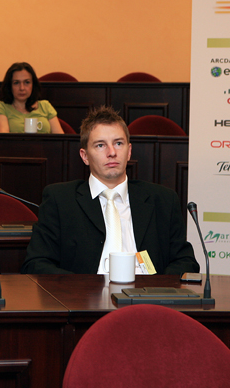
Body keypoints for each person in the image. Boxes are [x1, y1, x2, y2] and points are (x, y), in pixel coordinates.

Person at [21, 106, 199, 275]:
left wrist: (158, 288)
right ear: (84, 156)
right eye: (100, 145)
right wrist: (81, 288)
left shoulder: (163, 200)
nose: (112, 152)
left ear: (129, 151)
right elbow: (36, 263)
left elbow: (186, 262)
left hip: (145, 293)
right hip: (85, 294)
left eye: (119, 143)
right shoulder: (60, 200)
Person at [0, 62, 64, 134]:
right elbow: (4, 138)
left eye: (27, 82)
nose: (22, 88)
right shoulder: (2, 107)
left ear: (33, 84)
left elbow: (59, 137)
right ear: (9, 86)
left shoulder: (45, 106)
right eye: (16, 83)